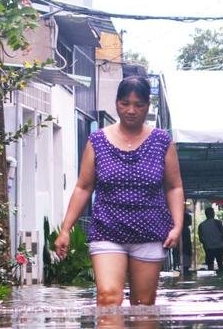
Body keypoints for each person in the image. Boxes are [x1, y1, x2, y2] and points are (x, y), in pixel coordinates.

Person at [54, 76, 184, 306]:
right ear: (116, 103)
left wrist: (177, 226)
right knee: (108, 297)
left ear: (148, 106)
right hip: (107, 230)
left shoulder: (162, 141)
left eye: (139, 105)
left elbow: (174, 187)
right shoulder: (97, 140)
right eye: (125, 103)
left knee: (143, 303)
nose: (131, 110)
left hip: (150, 232)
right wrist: (66, 229)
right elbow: (83, 187)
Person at [197, 206, 223, 271]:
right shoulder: (218, 223)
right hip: (218, 246)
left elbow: (201, 238)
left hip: (208, 248)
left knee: (210, 266)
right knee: (220, 265)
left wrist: (205, 244)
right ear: (213, 213)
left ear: (206, 214)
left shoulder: (201, 225)